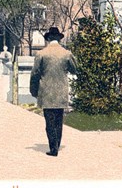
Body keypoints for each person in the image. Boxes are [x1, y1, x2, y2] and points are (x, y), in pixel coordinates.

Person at [29, 27, 77, 157]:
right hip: (61, 91)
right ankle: (57, 145)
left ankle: (53, 148)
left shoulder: (41, 54)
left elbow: (35, 74)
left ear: (48, 38)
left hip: (46, 92)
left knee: (49, 121)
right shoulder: (66, 53)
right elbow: (75, 70)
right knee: (58, 121)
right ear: (59, 39)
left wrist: (33, 90)